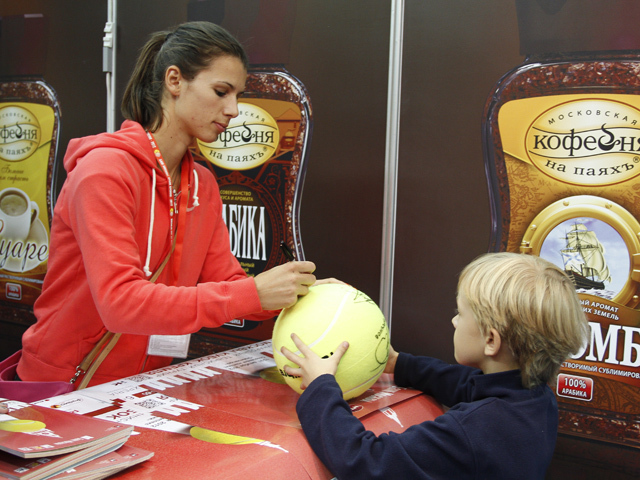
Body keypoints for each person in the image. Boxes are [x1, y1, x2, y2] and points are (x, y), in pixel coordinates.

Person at [17, 21, 321, 387]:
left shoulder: (201, 184)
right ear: (174, 81)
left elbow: (226, 282)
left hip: (143, 387)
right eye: (222, 91)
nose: (234, 109)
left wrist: (298, 295)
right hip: (68, 385)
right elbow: (121, 304)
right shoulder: (104, 171)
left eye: (238, 95)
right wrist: (252, 293)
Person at [281, 252, 589, 479]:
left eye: (461, 312)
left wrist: (321, 386)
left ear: (491, 341)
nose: (454, 320)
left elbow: (365, 462)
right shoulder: (535, 397)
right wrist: (399, 364)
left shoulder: (470, 432)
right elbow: (466, 384)